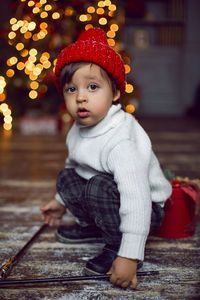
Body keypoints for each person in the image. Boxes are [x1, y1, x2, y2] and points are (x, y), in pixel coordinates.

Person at [40, 27, 172, 289]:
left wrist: (130, 254)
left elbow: (137, 198)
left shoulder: (121, 140)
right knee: (67, 176)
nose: (80, 97)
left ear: (114, 93)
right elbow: (75, 166)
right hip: (106, 196)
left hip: (146, 209)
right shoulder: (78, 129)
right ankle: (93, 225)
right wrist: (60, 200)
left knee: (99, 185)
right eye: (70, 89)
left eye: (92, 87)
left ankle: (115, 245)